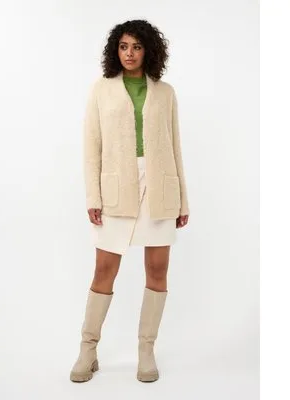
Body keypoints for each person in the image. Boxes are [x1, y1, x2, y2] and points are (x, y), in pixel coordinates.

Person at [70, 19, 190, 383]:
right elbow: (92, 147)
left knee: (157, 269)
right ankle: (88, 349)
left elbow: (175, 147)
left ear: (148, 51)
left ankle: (146, 350)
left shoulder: (165, 92)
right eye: (123, 46)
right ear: (115, 50)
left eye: (136, 47)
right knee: (104, 270)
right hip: (116, 187)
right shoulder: (101, 90)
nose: (130, 53)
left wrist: (182, 200)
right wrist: (93, 196)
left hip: (159, 186)